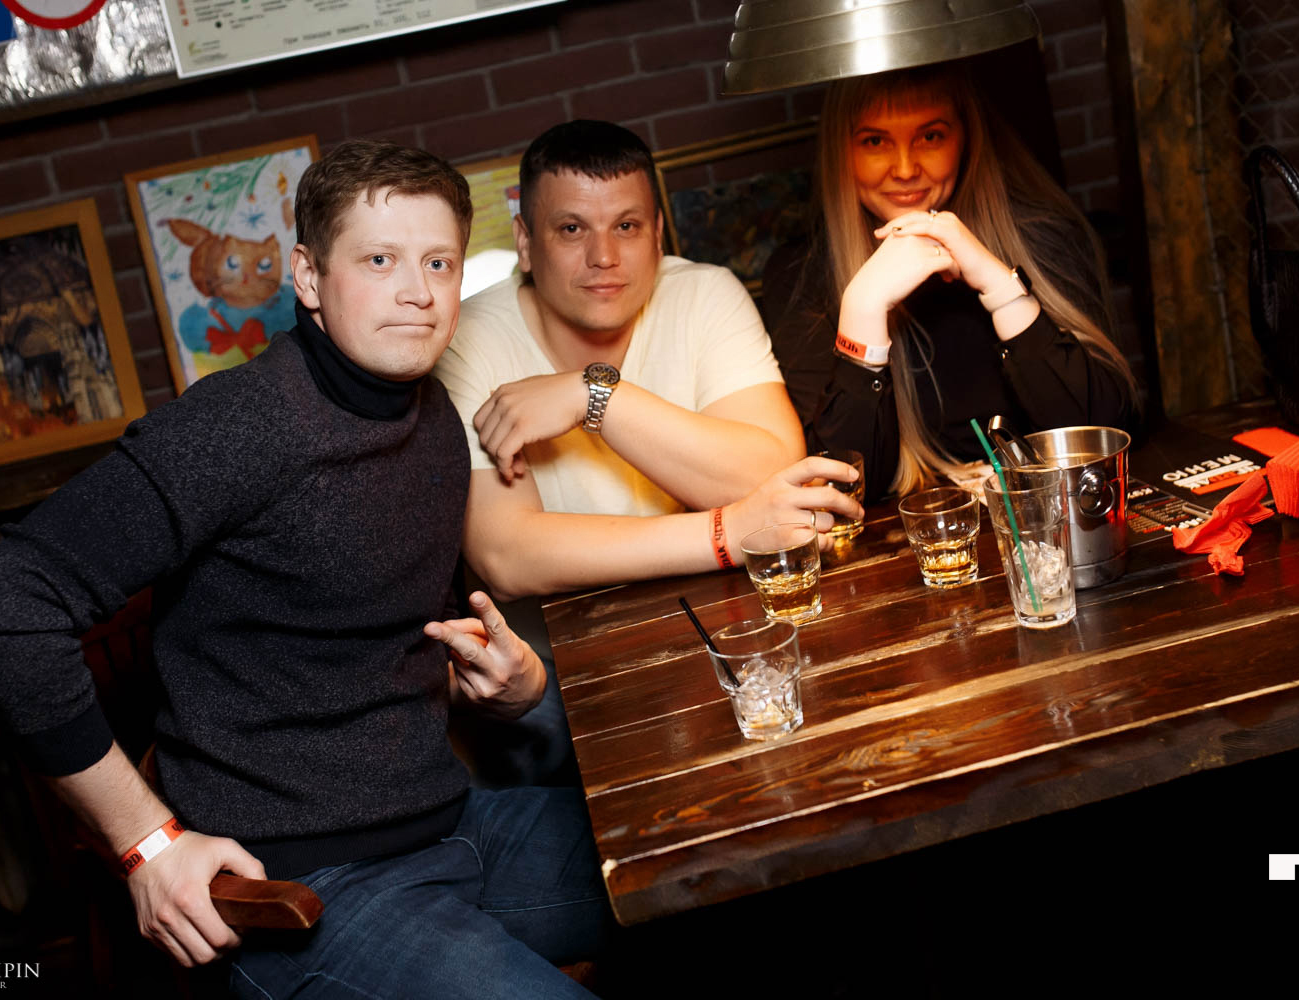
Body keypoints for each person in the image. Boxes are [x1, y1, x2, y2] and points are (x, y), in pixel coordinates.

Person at [0, 140, 611, 999]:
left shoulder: (430, 415)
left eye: (438, 262)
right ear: (307, 276)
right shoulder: (237, 428)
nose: (418, 291)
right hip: (307, 888)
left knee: (714, 863)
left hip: (457, 823)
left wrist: (510, 684)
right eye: (380, 260)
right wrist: (147, 842)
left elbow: (364, 632)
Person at [433, 121, 859, 787]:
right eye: (571, 229)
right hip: (556, 685)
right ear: (525, 241)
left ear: (659, 235)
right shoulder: (468, 338)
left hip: (724, 640)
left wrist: (596, 397)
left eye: (626, 226)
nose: (604, 256)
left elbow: (768, 473)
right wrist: (727, 532)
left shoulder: (705, 293)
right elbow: (508, 557)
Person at [762, 64, 1139, 502]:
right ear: (840, 151)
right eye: (875, 141)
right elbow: (843, 489)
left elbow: (1105, 438)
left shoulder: (1045, 235)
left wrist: (1002, 291)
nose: (905, 169)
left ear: (966, 137)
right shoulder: (800, 273)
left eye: (930, 136)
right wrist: (864, 308)